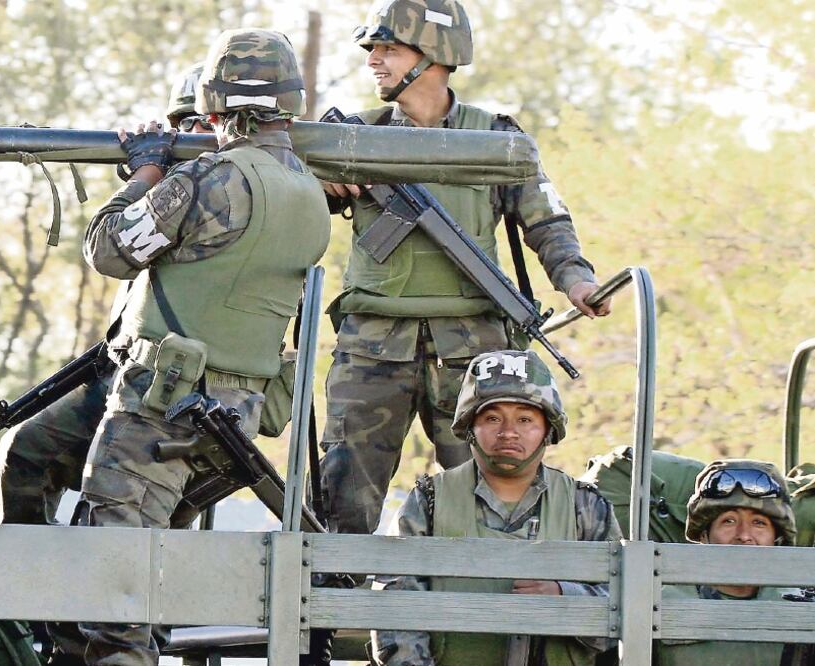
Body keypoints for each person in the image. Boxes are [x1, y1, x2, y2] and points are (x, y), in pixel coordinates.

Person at [74, 28, 331, 665]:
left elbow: (108, 249)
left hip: (159, 408)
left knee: (114, 573)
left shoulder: (209, 177)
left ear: (213, 107)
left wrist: (147, 170)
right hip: (234, 422)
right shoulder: (310, 190)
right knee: (154, 563)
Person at [318, 0, 612, 538]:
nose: (374, 61)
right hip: (373, 344)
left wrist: (576, 280)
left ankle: (488, 610)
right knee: (343, 495)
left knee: (491, 493)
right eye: (373, 50)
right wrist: (318, 184)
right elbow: (287, 200)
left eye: (389, 48)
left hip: (476, 346)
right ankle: (327, 617)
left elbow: (545, 220)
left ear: (433, 56)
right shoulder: (351, 138)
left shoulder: (495, 139)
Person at [0, 63, 215, 527]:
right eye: (180, 126)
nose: (187, 136)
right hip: (132, 368)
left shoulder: (223, 188)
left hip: (189, 388)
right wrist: (149, 171)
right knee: (26, 449)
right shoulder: (177, 188)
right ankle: (24, 576)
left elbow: (108, 249)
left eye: (198, 124)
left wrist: (145, 176)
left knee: (133, 519)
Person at [371, 349, 621, 666]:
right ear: (470, 427)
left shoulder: (585, 505)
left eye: (525, 419)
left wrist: (564, 597)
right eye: (492, 418)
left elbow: (624, 610)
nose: (508, 432)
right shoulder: (429, 501)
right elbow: (396, 612)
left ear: (548, 429)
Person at [656, 460, 811, 666]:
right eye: (728, 521)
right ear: (704, 534)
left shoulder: (802, 607)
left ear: (777, 537)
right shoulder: (659, 602)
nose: (744, 535)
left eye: (759, 523)